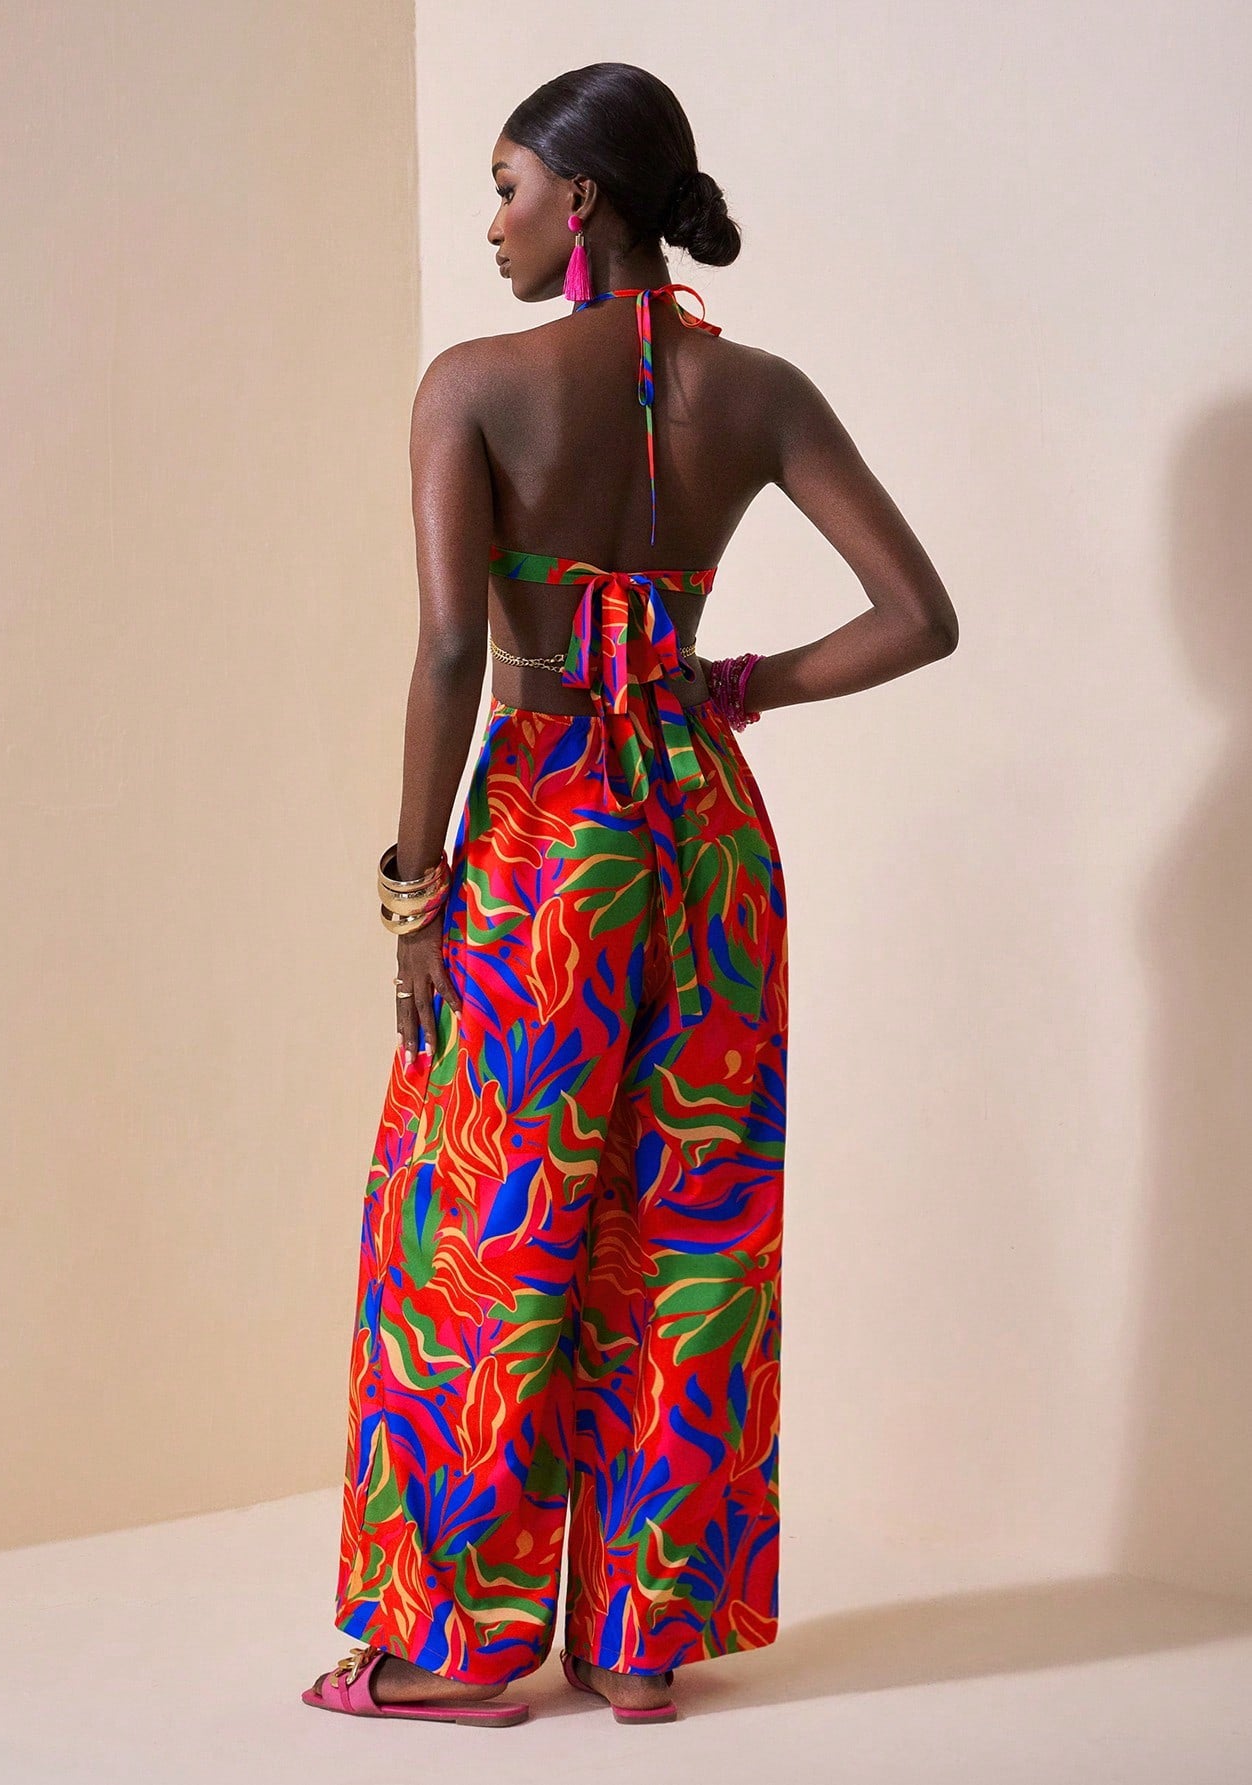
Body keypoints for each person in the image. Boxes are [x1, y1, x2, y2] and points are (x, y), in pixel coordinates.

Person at [302, 61, 958, 1729]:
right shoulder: (763, 392)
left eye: (509, 185)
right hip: (708, 836)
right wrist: (733, 685)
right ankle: (643, 1635)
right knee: (692, 1224)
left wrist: (412, 893)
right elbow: (919, 615)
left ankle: (454, 1650)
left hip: (546, 839)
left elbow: (452, 649)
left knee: (484, 1223)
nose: (496, 222)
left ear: (580, 197)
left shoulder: (476, 385)